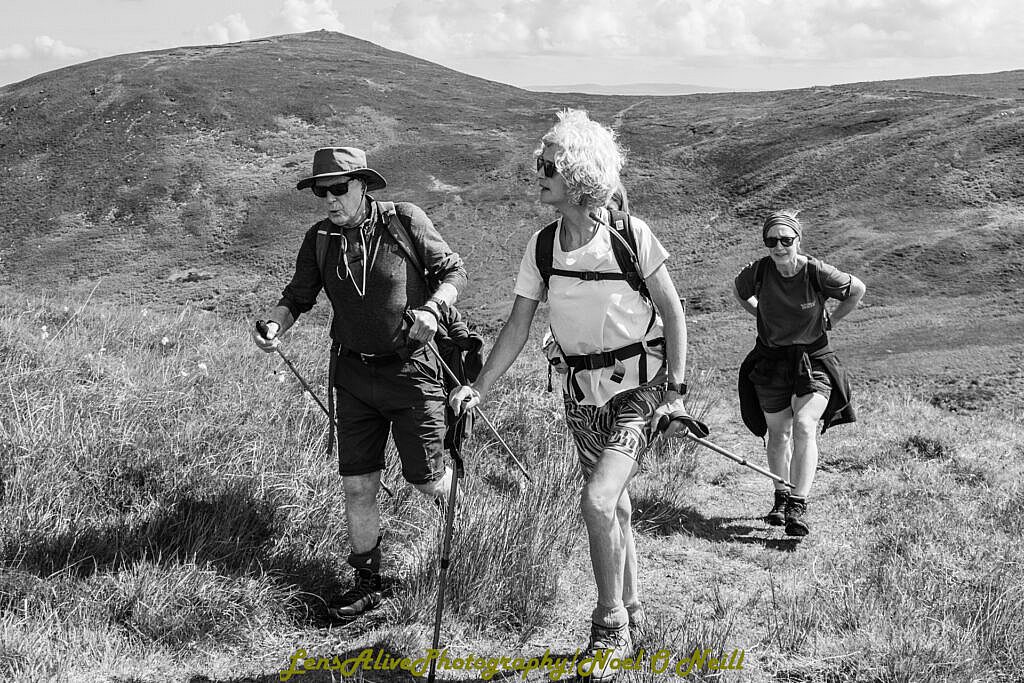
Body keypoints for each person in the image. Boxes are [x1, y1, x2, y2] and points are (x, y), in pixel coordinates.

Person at [449, 109, 690, 681]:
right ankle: (633, 611)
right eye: (540, 162)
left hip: (640, 389)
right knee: (617, 506)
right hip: (579, 394)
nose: (538, 172)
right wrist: (479, 388)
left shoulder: (632, 237)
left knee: (599, 502)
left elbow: (676, 315)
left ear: (579, 174)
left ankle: (607, 628)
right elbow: (517, 328)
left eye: (548, 164)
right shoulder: (541, 247)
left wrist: (675, 393)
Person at [251, 146, 468, 618]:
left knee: (428, 479)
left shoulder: (403, 221)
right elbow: (297, 297)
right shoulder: (320, 239)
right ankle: (368, 580)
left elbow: (453, 271)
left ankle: (472, 546)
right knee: (357, 485)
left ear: (362, 185)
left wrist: (433, 309)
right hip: (351, 375)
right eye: (320, 191)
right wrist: (274, 326)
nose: (328, 199)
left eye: (337, 189)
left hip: (411, 372)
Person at [732, 210, 865, 537]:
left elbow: (857, 289)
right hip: (771, 361)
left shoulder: (816, 272)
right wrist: (758, 311)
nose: (779, 247)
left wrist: (831, 321)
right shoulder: (759, 272)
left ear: (798, 240)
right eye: (771, 241)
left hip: (813, 360)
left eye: (786, 240)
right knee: (778, 433)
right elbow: (738, 290)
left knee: (805, 424)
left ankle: (797, 504)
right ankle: (780, 497)